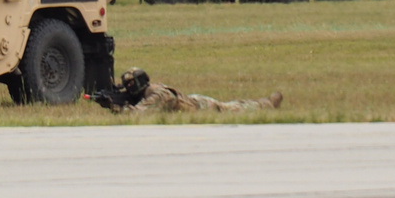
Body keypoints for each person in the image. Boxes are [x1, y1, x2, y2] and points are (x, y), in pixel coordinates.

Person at [107, 67, 282, 113]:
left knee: (236, 108)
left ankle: (267, 104)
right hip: (189, 101)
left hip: (202, 107)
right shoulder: (147, 93)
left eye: (130, 85)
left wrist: (115, 107)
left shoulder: (158, 95)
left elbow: (138, 115)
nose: (128, 90)